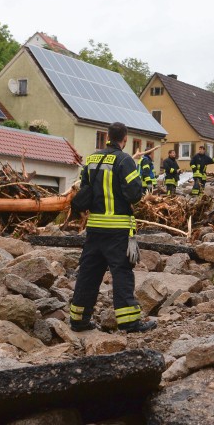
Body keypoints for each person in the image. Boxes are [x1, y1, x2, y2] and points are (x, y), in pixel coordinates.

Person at [69, 122, 157, 333]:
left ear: (108, 136)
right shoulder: (124, 160)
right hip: (118, 229)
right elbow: (134, 194)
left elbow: (84, 189)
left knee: (88, 274)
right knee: (122, 274)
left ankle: (78, 320)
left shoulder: (92, 159)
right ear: (124, 139)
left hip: (94, 228)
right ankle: (129, 322)